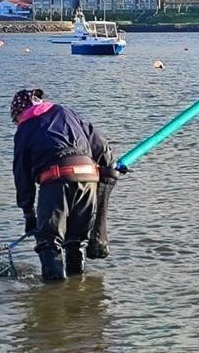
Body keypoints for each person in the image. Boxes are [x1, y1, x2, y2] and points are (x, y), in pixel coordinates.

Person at [11, 89, 121, 281]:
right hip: (88, 179)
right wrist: (111, 165)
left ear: (20, 113)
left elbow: (22, 176)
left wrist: (28, 213)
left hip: (56, 179)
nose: (17, 124)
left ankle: (53, 296)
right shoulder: (66, 112)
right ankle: (77, 290)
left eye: (16, 120)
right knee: (76, 241)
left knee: (49, 242)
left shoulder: (25, 128)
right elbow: (101, 146)